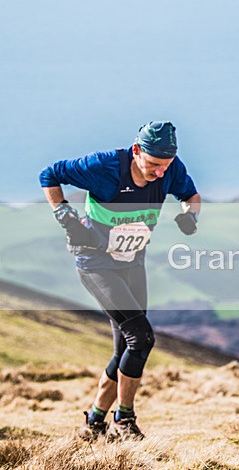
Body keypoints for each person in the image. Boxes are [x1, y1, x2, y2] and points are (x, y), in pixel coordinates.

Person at [39, 121, 201, 442]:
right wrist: (65, 216)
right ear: (137, 151)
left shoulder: (170, 168)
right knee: (140, 338)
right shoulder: (105, 166)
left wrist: (189, 216)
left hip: (132, 263)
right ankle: (124, 419)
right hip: (96, 264)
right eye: (153, 165)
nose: (159, 174)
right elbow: (49, 175)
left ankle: (94, 421)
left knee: (125, 347)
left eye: (165, 167)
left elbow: (191, 195)